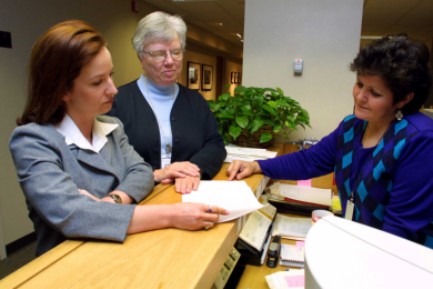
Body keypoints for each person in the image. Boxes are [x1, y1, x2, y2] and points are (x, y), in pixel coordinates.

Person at [9, 20, 227, 256]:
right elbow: (75, 215)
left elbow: (142, 173)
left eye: (110, 76)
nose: (113, 89)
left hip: (123, 249)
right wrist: (172, 215)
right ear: (62, 89)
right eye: (97, 82)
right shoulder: (32, 141)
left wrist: (111, 201)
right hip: (70, 261)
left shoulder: (111, 126)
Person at [227, 35, 433, 248]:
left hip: (399, 262)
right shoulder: (353, 126)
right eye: (359, 84)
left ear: (404, 98)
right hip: (362, 246)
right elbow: (310, 161)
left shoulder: (420, 141)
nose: (360, 96)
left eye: (374, 93)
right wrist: (257, 165)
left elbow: (399, 233)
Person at [108, 11, 226, 194]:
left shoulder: (195, 101)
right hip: (136, 197)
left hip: (188, 194)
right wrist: (157, 174)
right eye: (159, 54)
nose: (170, 61)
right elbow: (107, 160)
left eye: (176, 52)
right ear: (141, 57)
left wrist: (193, 169)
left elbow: (215, 144)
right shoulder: (117, 102)